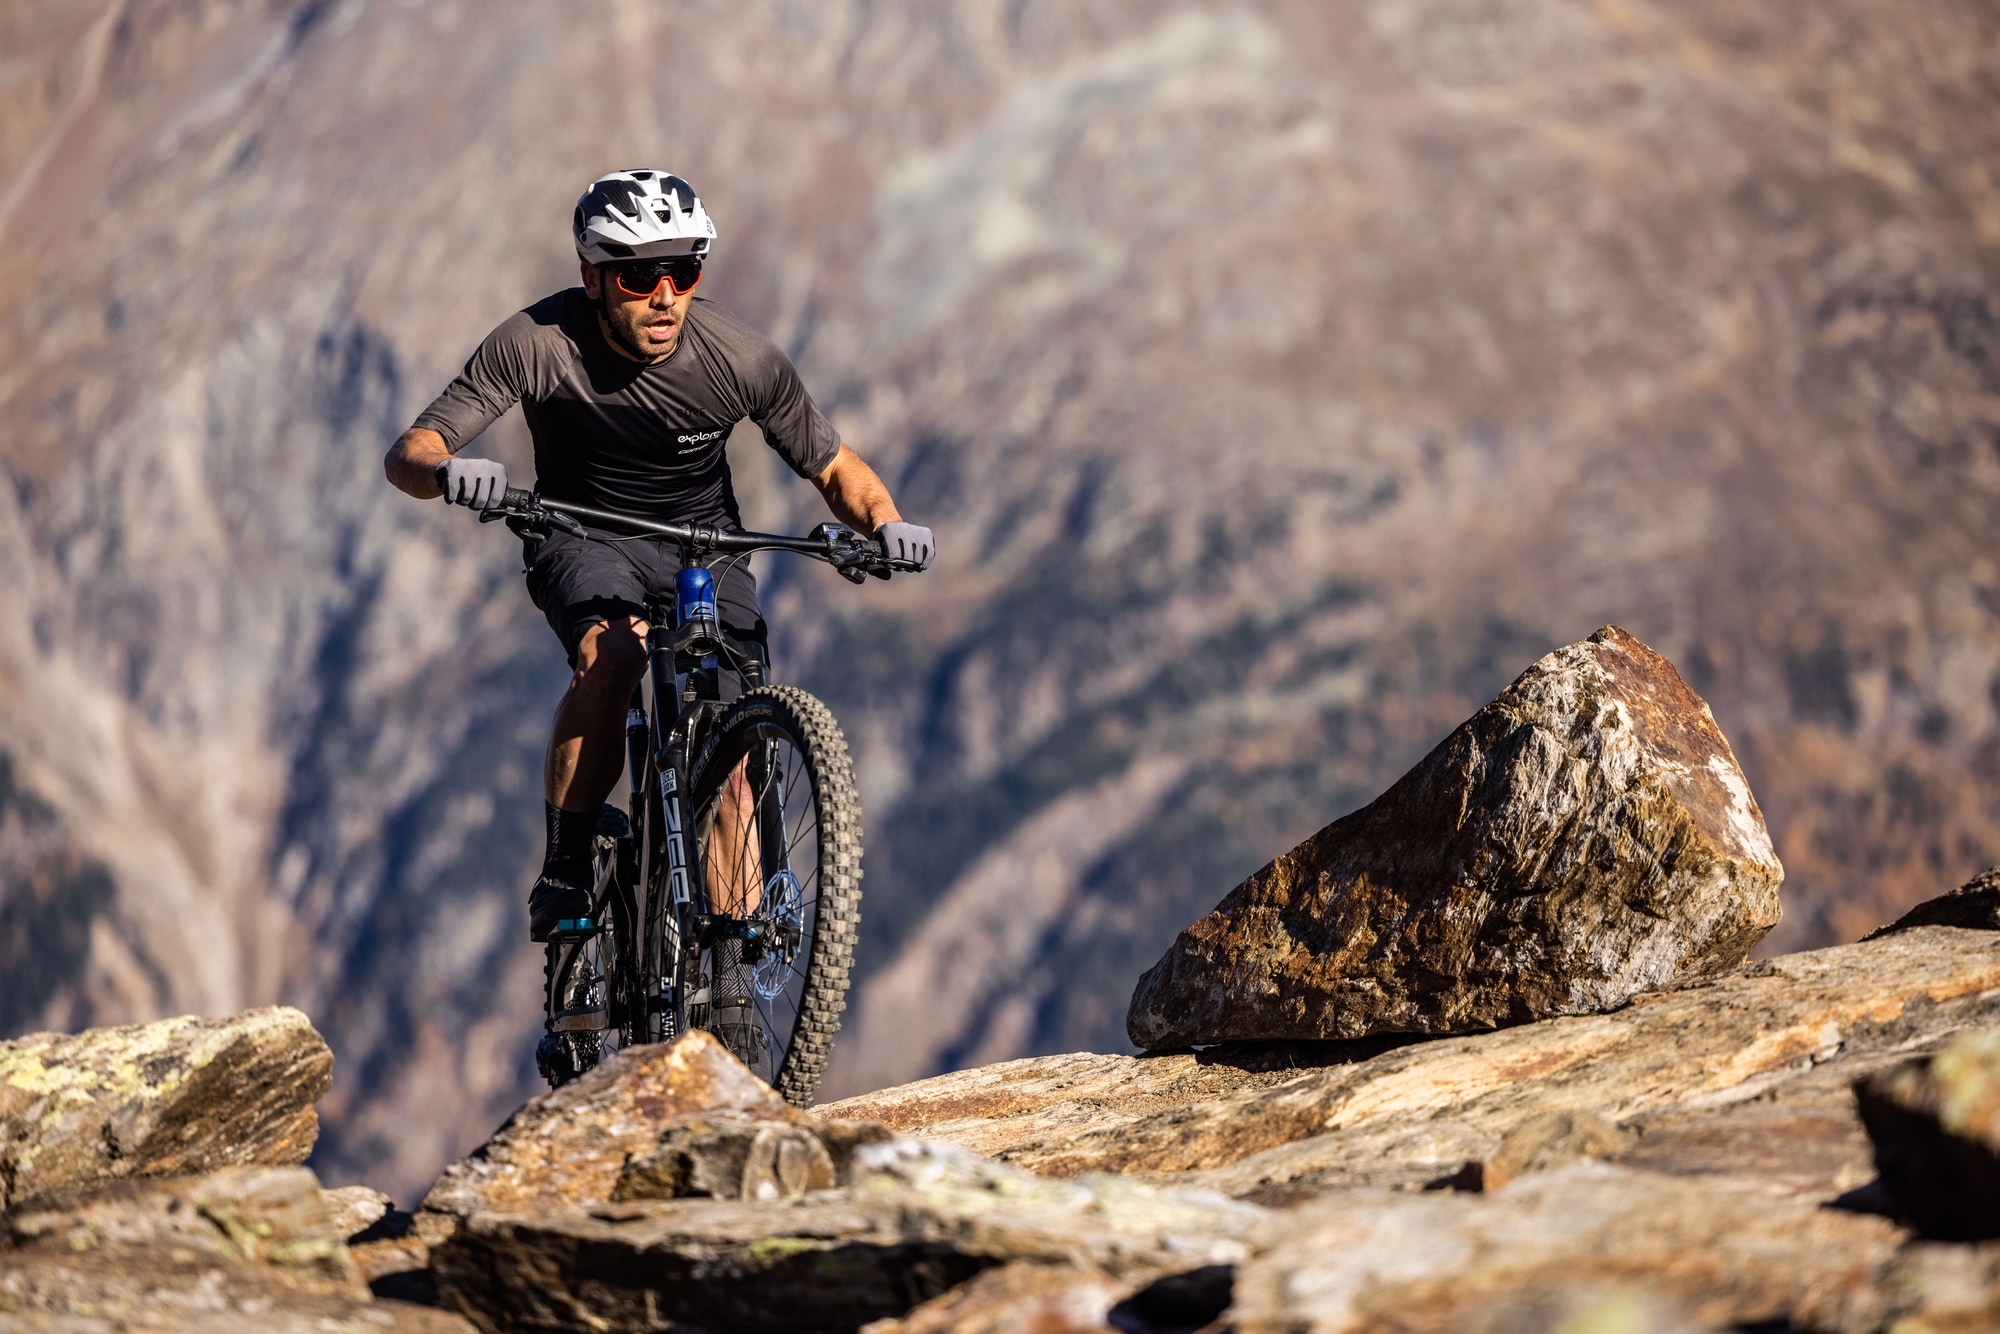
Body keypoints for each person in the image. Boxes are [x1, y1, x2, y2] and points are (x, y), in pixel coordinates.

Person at [384, 169, 933, 961]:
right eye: (641, 276)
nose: (666, 294)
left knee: (738, 748)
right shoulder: (536, 344)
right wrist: (444, 473)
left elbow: (834, 466)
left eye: (685, 271)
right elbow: (413, 449)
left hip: (705, 544)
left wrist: (885, 523)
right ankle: (567, 870)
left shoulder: (740, 358)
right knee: (612, 656)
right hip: (582, 532)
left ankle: (733, 987)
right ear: (594, 278)